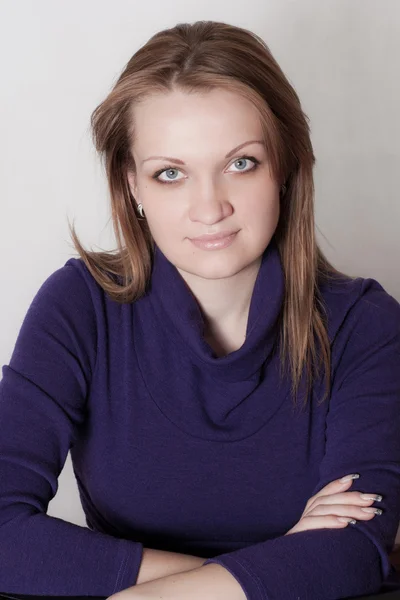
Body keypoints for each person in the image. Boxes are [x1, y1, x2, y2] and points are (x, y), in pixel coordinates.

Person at [0, 19, 399, 600]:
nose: (209, 208)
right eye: (170, 174)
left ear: (284, 167)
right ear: (131, 185)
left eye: (241, 164)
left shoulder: (366, 325)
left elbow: (355, 552)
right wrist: (271, 569)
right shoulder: (80, 308)